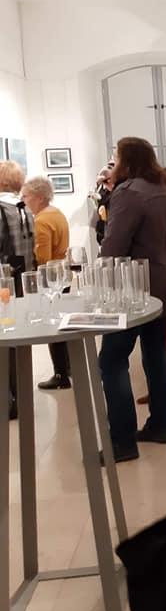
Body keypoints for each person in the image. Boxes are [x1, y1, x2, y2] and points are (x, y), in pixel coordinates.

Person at [98, 137, 166, 463]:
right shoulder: (162, 188)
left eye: (116, 157)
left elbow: (114, 245)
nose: (113, 162)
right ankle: (160, 424)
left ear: (126, 159)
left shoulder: (129, 192)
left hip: (134, 286)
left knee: (112, 360)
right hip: (162, 280)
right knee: (155, 355)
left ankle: (122, 441)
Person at [20, 175, 71, 390]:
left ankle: (60, 374)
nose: (23, 200)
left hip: (50, 279)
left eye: (26, 196)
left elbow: (42, 258)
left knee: (54, 328)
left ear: (39, 197)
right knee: (62, 325)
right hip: (63, 274)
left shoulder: (41, 220)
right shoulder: (57, 213)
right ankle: (67, 368)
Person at [0, 161, 34, 421]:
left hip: (3, 283)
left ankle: (9, 399)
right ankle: (19, 395)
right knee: (15, 340)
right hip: (20, 282)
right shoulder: (24, 208)